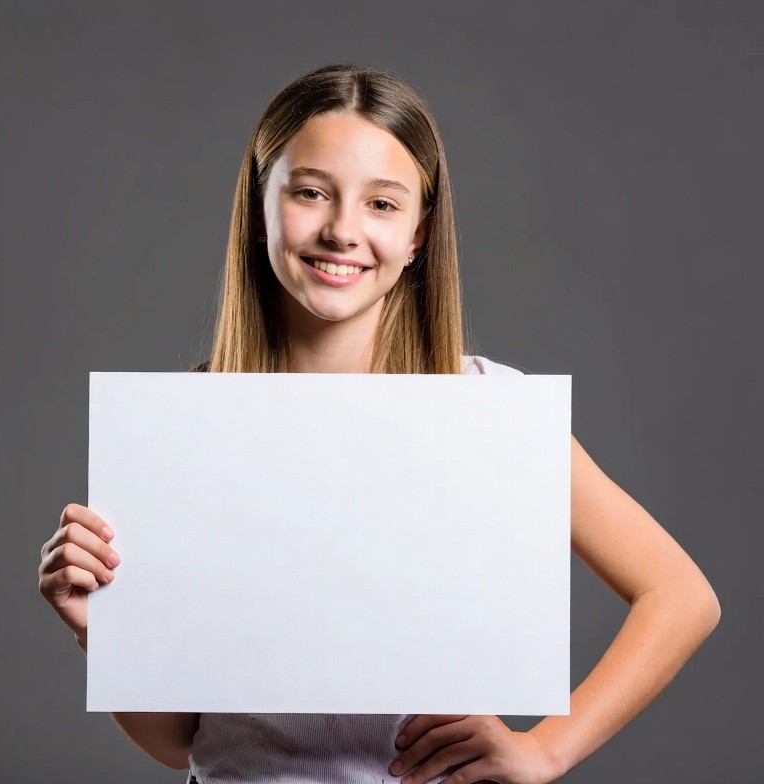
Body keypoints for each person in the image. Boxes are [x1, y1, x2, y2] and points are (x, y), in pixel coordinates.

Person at [38, 64, 720, 784]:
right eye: (309, 193)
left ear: (420, 233)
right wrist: (102, 632)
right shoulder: (182, 428)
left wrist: (547, 748)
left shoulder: (486, 410)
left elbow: (681, 597)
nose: (342, 231)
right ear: (259, 205)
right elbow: (188, 743)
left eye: (382, 205)